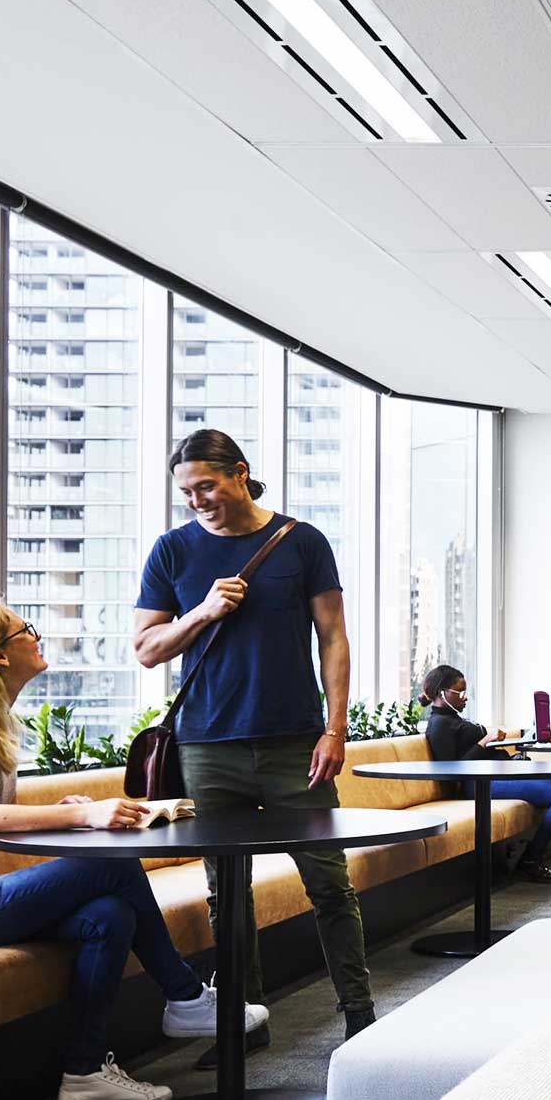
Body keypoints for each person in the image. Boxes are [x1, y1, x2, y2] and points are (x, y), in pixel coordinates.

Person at [0, 601, 265, 1100]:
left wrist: (62, 811)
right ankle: (186, 997)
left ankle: (84, 1074)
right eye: (25, 631)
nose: (37, 637)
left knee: (110, 915)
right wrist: (83, 819)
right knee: (107, 863)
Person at [133, 429, 371, 1050]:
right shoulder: (172, 553)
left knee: (328, 882)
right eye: (186, 492)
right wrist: (203, 612)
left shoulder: (301, 542)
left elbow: (334, 636)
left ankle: (359, 1014)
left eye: (206, 486)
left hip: (297, 742)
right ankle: (244, 1024)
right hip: (208, 748)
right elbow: (146, 649)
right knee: (226, 894)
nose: (197, 500)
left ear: (240, 473)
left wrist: (335, 727)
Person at [420, 664, 551, 882]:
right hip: (478, 783)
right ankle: (531, 859)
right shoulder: (439, 725)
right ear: (442, 693)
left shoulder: (454, 719)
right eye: (460, 692)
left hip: (501, 771)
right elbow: (451, 770)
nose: (465, 698)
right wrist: (484, 741)